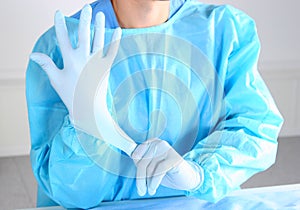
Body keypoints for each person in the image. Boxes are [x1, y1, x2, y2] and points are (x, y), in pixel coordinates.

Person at [26, 0, 283, 208]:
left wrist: (197, 173)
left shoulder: (223, 31)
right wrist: (86, 123)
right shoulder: (65, 46)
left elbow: (255, 128)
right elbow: (72, 195)